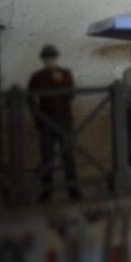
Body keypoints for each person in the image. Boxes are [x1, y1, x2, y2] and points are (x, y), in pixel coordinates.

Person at [28, 45, 80, 201]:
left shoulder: (65, 74)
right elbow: (30, 98)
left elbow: (71, 94)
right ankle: (46, 191)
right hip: (46, 121)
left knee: (68, 155)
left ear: (57, 58)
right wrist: (38, 117)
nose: (50, 60)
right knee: (47, 157)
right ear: (43, 59)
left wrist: (60, 82)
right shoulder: (37, 77)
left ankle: (73, 190)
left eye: (52, 57)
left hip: (64, 120)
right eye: (47, 58)